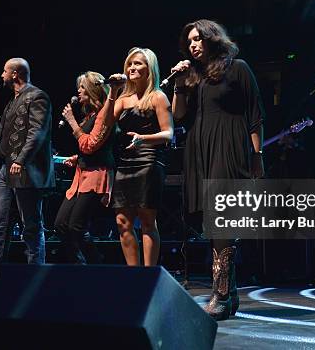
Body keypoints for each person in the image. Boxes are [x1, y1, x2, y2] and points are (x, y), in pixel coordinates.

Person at [171, 20, 265, 320]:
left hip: (229, 145)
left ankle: (221, 294)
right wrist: (179, 83)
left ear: (212, 39)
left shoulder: (237, 68)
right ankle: (229, 293)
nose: (193, 45)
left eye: (198, 39)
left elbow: (254, 114)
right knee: (209, 221)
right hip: (199, 149)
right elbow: (178, 115)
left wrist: (257, 155)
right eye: (189, 42)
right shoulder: (193, 76)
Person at [0, 57, 55, 281]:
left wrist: (21, 160)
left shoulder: (37, 96)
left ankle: (36, 275)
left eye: (4, 71)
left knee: (31, 224)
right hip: (5, 168)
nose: (1, 75)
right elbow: (1, 137)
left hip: (25, 169)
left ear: (15, 74)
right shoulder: (12, 101)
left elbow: (37, 132)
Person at [104, 47, 173, 266]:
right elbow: (105, 124)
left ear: (148, 69)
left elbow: (168, 133)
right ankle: (133, 275)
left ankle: (148, 275)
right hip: (126, 162)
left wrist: (143, 138)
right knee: (122, 221)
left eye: (138, 64)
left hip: (149, 161)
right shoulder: (123, 99)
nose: (132, 68)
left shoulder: (158, 97)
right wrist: (112, 92)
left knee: (146, 220)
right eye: (130, 64)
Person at [55, 71, 116, 263]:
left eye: (82, 87)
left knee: (76, 226)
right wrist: (76, 157)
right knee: (61, 224)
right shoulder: (90, 114)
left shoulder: (104, 113)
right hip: (82, 173)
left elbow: (90, 145)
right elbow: (87, 147)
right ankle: (79, 264)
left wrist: (72, 121)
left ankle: (96, 264)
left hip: (96, 174)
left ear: (91, 89)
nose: (78, 92)